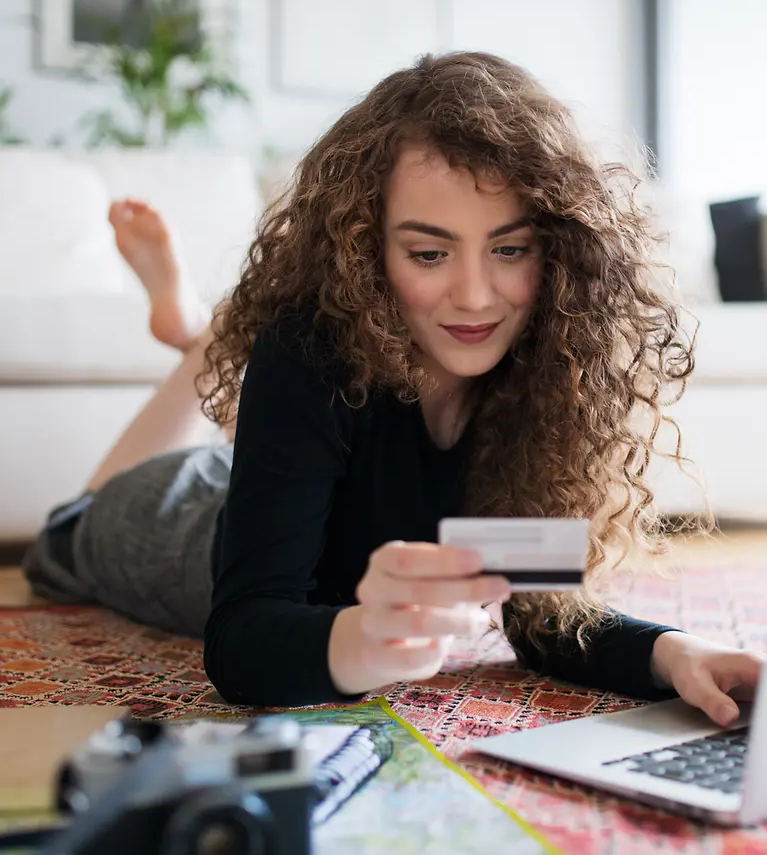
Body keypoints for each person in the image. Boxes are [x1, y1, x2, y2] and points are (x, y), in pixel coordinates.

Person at [24, 52, 764, 722]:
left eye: (509, 249)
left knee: (259, 461)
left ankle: (207, 341)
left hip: (265, 485)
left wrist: (674, 652)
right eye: (428, 252)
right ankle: (205, 341)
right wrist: (360, 638)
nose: (475, 296)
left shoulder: (546, 365)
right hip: (170, 526)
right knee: (72, 523)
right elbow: (243, 639)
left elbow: (542, 617)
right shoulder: (308, 348)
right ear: (364, 250)